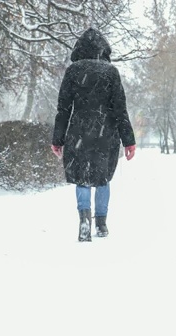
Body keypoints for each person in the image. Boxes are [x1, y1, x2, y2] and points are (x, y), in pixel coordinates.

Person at [51, 27, 136, 242]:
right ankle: (101, 222)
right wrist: (129, 141)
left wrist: (57, 139)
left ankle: (84, 220)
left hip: (78, 131)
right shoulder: (111, 72)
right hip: (105, 133)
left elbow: (63, 109)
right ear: (103, 49)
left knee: (82, 178)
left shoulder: (73, 71)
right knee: (102, 178)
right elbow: (120, 110)